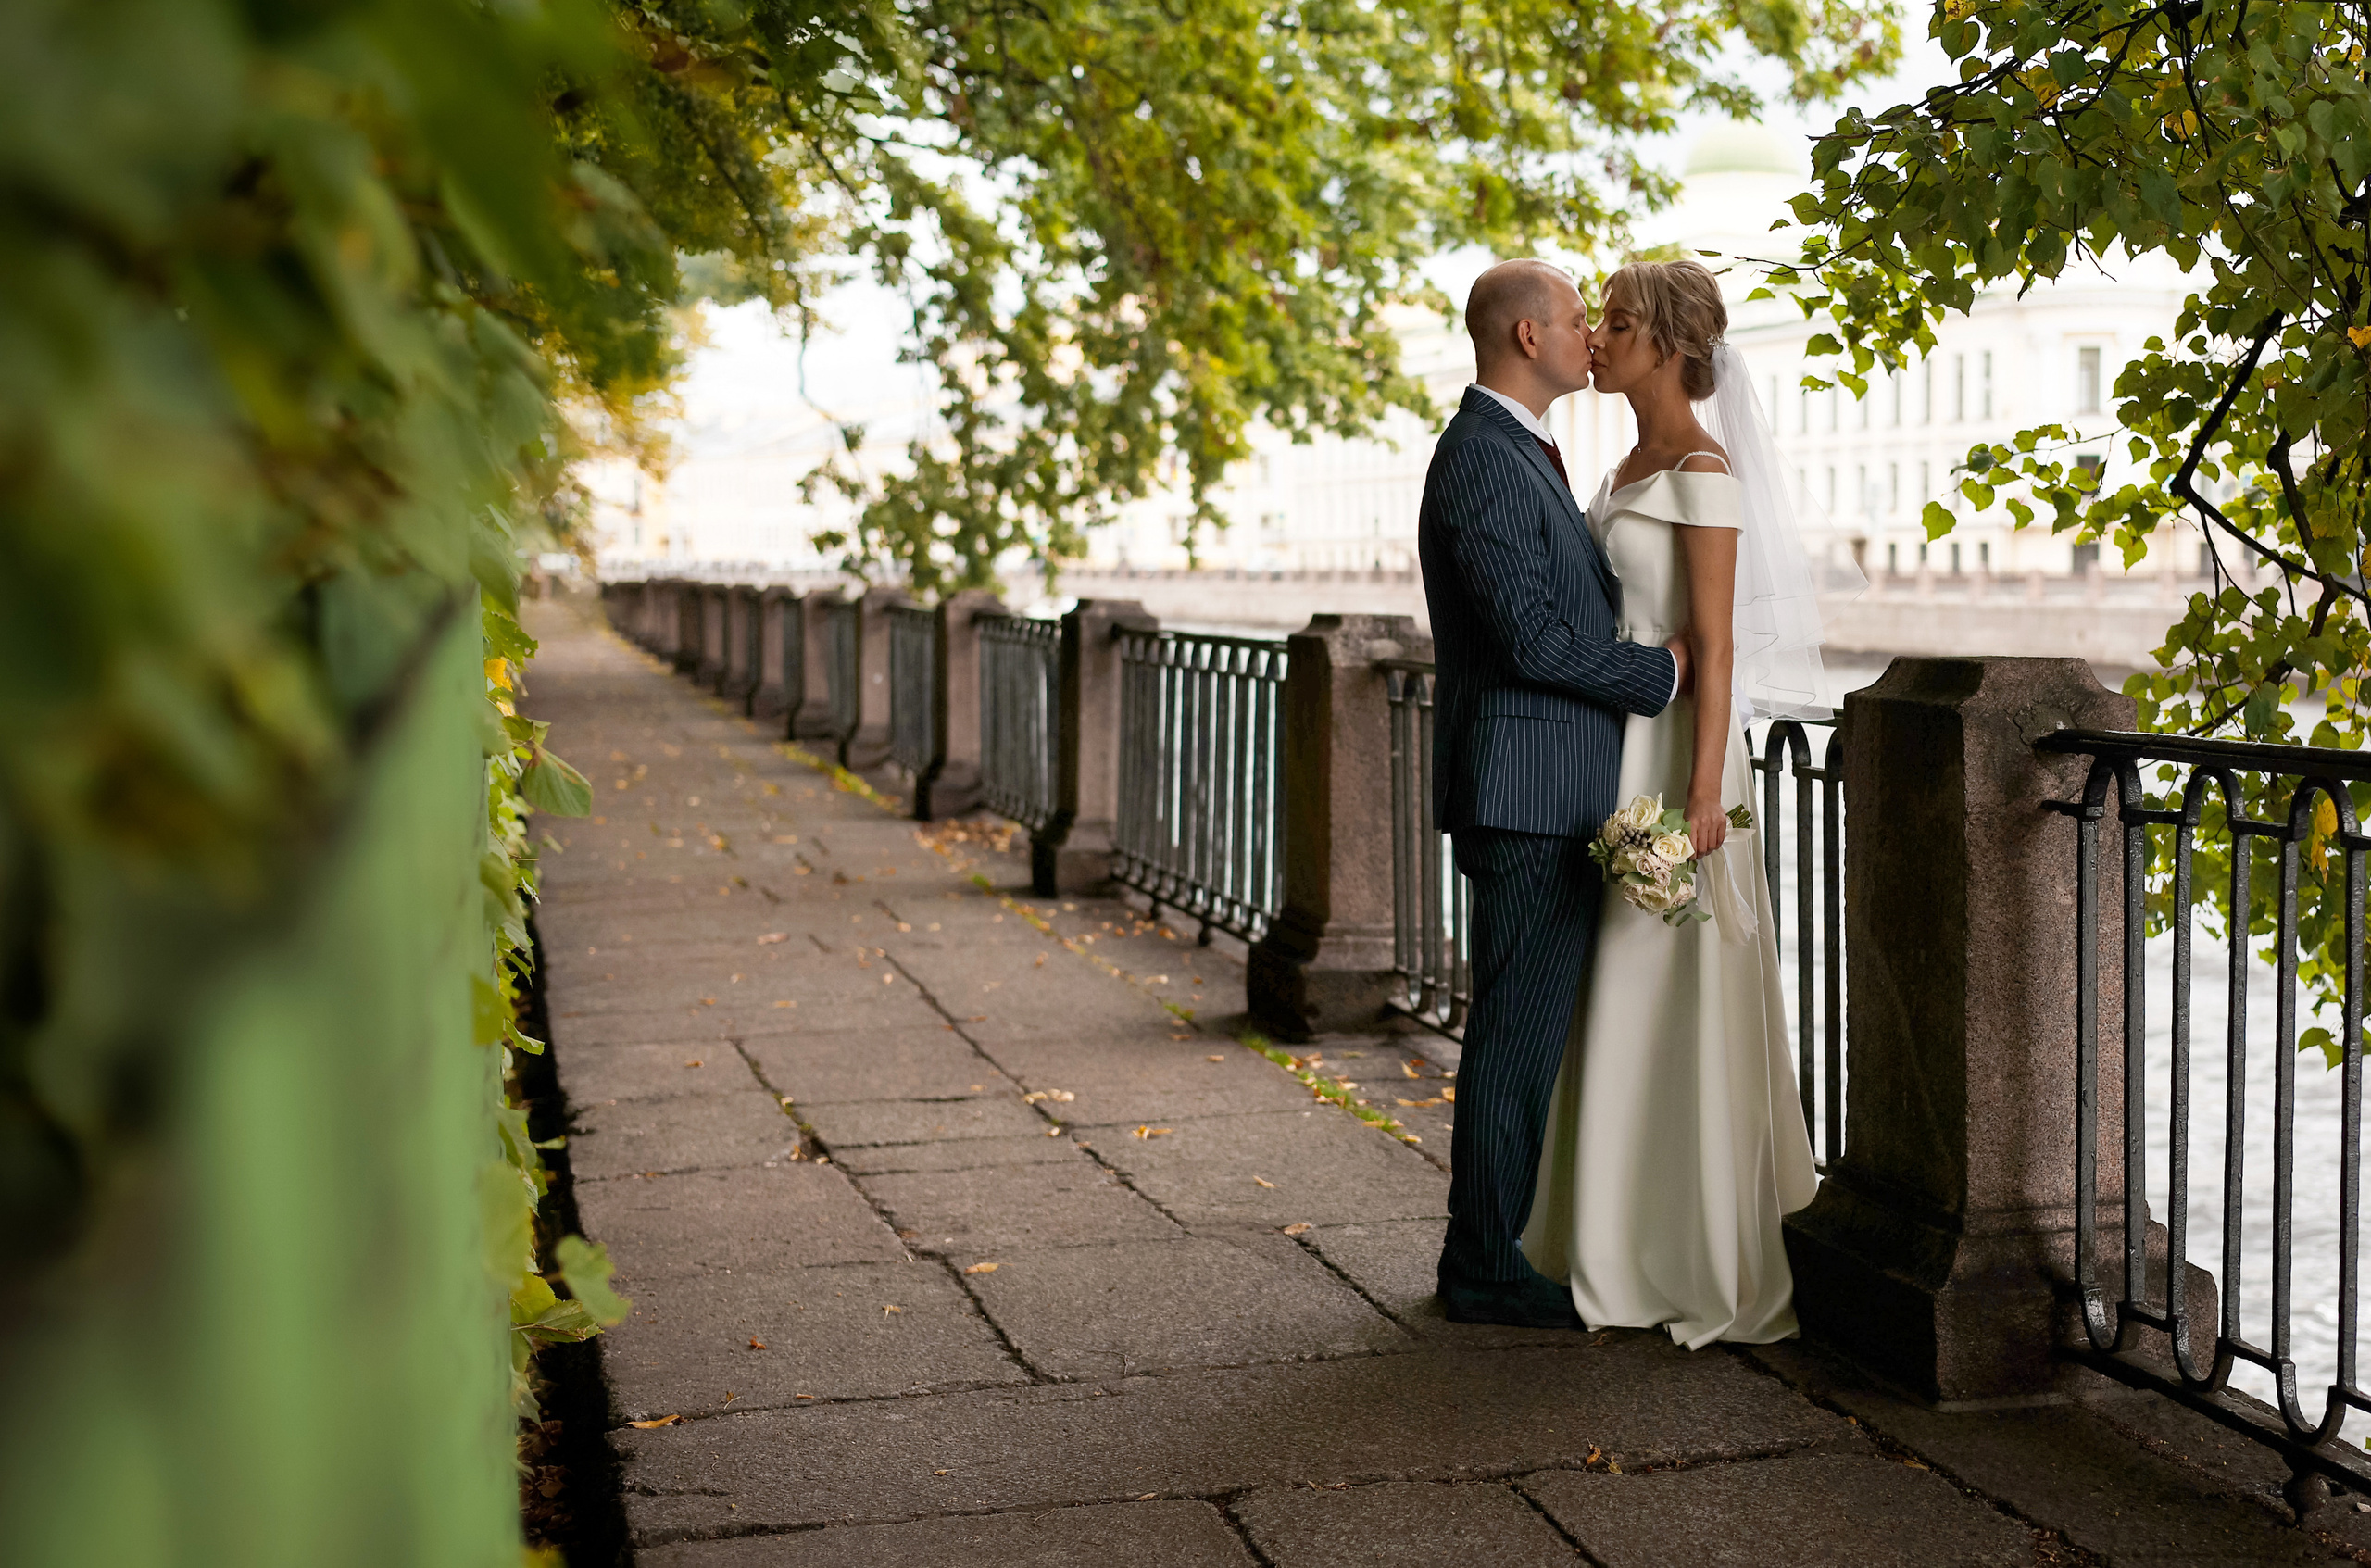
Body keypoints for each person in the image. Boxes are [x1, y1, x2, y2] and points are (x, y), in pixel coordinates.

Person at [1519, 257, 1829, 1346]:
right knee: (1612, 990)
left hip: (1674, 766)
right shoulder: (1624, 461)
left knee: (1671, 982)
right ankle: (1602, 1234)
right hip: (1615, 747)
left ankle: (1687, 1254)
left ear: (1663, 341)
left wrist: (1700, 798)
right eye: (1593, 320)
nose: (1594, 338)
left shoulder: (1702, 465)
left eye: (1612, 322)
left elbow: (1717, 641)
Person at [1415, 259, 1690, 1328]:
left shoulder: (1519, 450)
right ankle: (1481, 1267)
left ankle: (1491, 1250)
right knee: (1514, 1037)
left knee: (1521, 1034)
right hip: (1526, 792)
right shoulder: (1482, 458)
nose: (1592, 335)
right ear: (1527, 337)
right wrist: (1659, 674)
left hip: (1548, 787)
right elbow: (1530, 639)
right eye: (1578, 320)